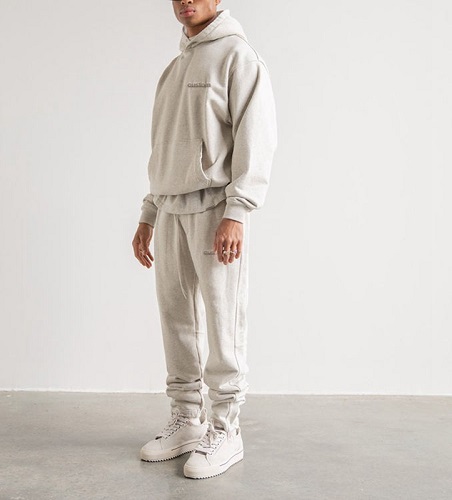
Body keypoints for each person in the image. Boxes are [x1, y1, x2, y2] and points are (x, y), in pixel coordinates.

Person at [132, 0, 277, 479]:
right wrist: (149, 213)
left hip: (216, 210)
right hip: (171, 210)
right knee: (176, 319)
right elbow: (161, 149)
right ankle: (187, 419)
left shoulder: (238, 56)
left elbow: (257, 139)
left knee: (221, 321)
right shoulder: (173, 70)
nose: (185, 1)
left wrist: (238, 212)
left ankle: (226, 428)